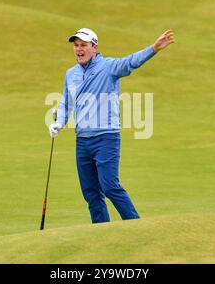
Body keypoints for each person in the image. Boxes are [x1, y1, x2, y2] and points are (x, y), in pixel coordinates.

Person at [49, 28, 174, 223]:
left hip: (106, 137)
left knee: (109, 186)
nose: (78, 49)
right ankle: (102, 234)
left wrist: (154, 48)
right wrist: (59, 122)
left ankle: (135, 225)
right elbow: (67, 103)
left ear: (94, 47)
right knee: (91, 193)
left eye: (83, 45)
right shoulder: (71, 74)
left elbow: (131, 62)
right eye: (76, 45)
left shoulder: (108, 67)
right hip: (82, 141)